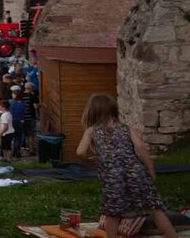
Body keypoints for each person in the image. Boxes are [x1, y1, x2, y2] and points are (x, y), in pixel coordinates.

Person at [75, 94, 178, 238]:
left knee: (112, 214)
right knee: (155, 209)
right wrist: (150, 169)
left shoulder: (92, 130)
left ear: (92, 112)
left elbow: (80, 152)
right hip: (136, 173)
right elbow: (140, 148)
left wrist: (91, 162)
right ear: (114, 111)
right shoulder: (127, 128)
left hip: (112, 178)